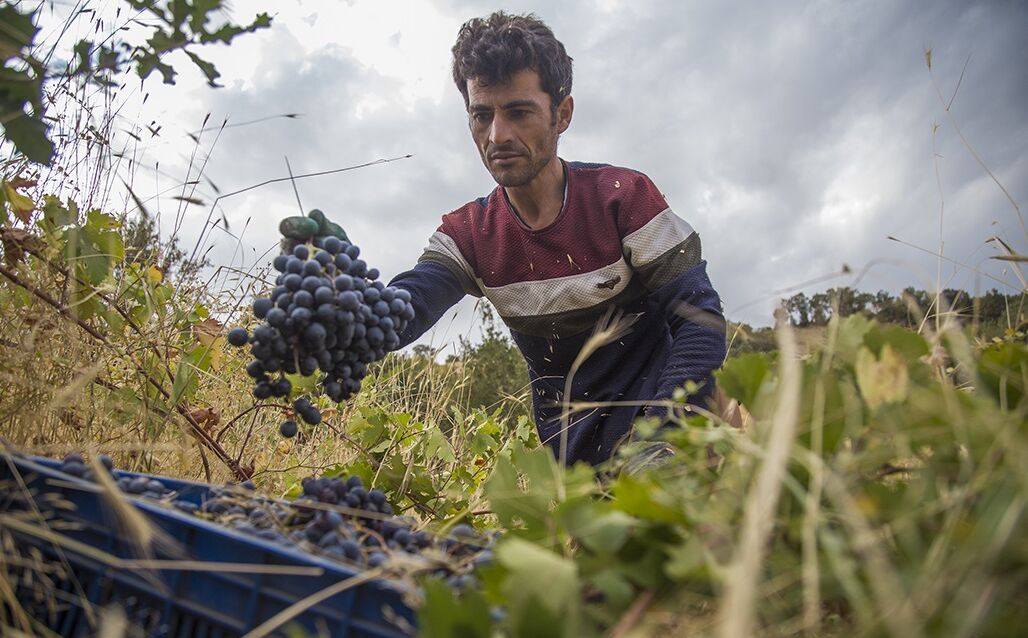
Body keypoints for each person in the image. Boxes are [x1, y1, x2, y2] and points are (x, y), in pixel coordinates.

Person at [382, 11, 727, 468]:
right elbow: (404, 309)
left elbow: (700, 321)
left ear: (561, 114)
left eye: (519, 112)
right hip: (576, 469)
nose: (497, 135)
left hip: (672, 450)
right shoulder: (469, 235)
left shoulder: (623, 199)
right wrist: (343, 312)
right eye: (481, 115)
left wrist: (662, 434)